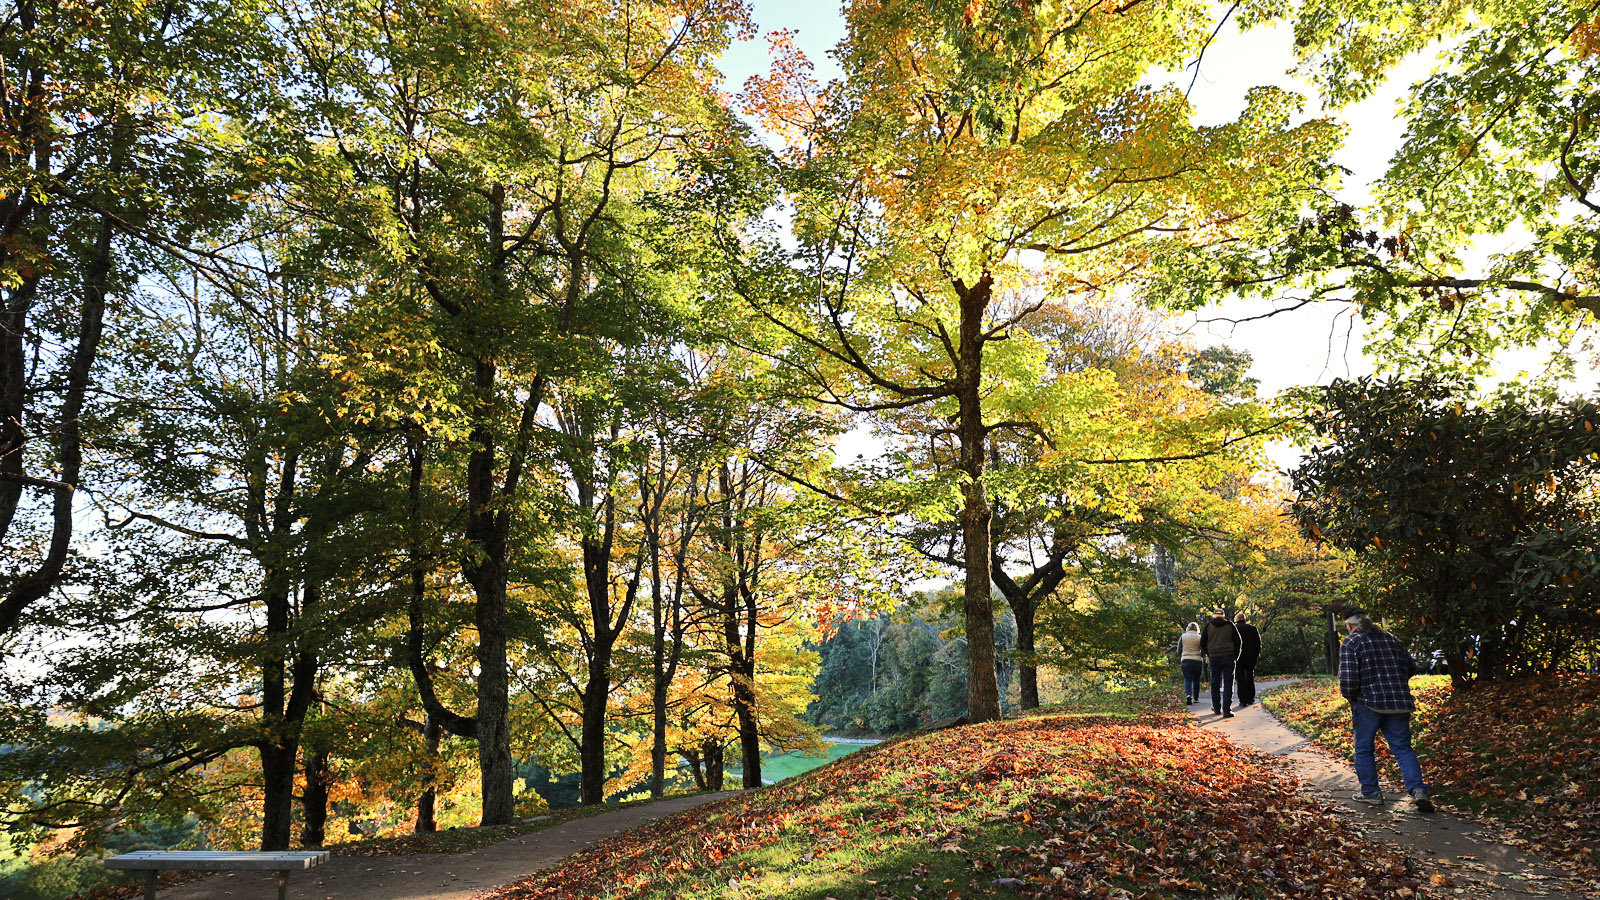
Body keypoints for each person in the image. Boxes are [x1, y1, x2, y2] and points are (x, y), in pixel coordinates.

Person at [1339, 610, 1434, 813]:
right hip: (1398, 703)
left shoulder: (1351, 642)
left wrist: (1351, 697)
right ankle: (1418, 790)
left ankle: (1371, 793)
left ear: (1349, 625)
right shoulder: (1392, 639)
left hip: (1368, 702)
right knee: (1403, 748)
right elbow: (1411, 667)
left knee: (1364, 748)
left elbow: (1348, 680)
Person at [1199, 609, 1240, 717]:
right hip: (1228, 656)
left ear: (1214, 616)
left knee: (1215, 682)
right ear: (1223, 616)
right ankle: (1226, 710)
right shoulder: (1230, 625)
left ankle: (1216, 707)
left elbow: (1202, 643)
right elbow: (1238, 641)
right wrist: (1236, 655)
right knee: (1228, 683)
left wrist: (1209, 653)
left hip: (1214, 657)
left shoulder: (1209, 626)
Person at [1234, 611, 1261, 706]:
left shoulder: (1234, 629)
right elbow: (1258, 644)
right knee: (1249, 676)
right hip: (1250, 657)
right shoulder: (1252, 628)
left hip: (1238, 657)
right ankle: (1251, 698)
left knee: (1240, 678)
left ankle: (1243, 699)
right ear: (1245, 619)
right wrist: (1255, 655)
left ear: (1236, 620)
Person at [1177, 622, 1204, 705]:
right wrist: (1201, 655)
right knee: (1196, 679)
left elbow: (1179, 649)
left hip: (1186, 660)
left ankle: (1188, 695)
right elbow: (1203, 650)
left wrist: (1182, 654)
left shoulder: (1183, 636)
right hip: (1197, 660)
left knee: (1187, 679)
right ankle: (1196, 698)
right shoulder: (1200, 637)